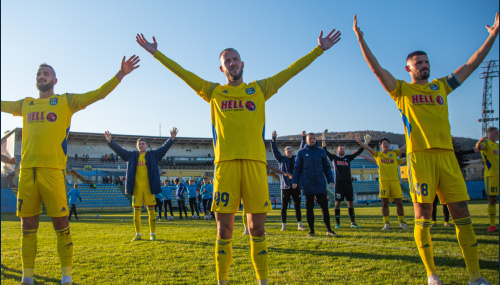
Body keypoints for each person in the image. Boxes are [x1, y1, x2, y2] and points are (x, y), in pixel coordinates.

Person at [137, 26, 341, 285]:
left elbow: (290, 72)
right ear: (221, 68)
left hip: (256, 167)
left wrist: (318, 50)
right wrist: (158, 54)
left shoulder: (259, 89)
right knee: (224, 229)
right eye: (227, 61)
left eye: (235, 59)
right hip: (226, 167)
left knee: (257, 229)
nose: (232, 64)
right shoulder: (214, 92)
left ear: (242, 63)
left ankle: (262, 281)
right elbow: (184, 75)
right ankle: (223, 281)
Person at [353, 13, 499, 285]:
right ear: (408, 68)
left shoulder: (441, 86)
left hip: (447, 157)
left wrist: (492, 36)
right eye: (418, 63)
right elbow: (377, 70)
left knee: (462, 214)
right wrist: (361, 40)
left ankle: (475, 277)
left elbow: (471, 63)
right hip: (420, 159)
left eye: (426, 62)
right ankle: (432, 275)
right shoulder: (401, 92)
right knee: (423, 216)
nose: (424, 65)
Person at [1, 55, 139, 285]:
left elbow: (98, 94)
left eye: (45, 74)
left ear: (55, 80)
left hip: (53, 171)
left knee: (61, 225)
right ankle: (27, 278)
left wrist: (121, 74)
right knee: (27, 226)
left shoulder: (66, 101)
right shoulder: (26, 104)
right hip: (27, 172)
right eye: (38, 74)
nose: (41, 76)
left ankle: (66, 278)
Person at [104, 127, 178, 242]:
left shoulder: (152, 155)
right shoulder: (131, 156)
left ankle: (152, 234)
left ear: (146, 146)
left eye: (143, 143)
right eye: (139, 144)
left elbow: (163, 149)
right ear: (136, 145)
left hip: (149, 188)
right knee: (136, 212)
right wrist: (110, 141)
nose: (141, 145)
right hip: (137, 189)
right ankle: (138, 234)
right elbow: (119, 150)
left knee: (151, 211)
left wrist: (171, 139)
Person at [354, 135, 409, 230]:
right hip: (383, 182)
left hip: (395, 182)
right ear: (381, 146)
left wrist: (411, 138)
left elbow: (404, 147)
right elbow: (368, 148)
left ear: (389, 145)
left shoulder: (395, 153)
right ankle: (386, 224)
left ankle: (401, 223)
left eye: (387, 143)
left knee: (399, 202)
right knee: (385, 203)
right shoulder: (378, 155)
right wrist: (360, 142)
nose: (386, 144)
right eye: (384, 143)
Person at [292, 133, 336, 237]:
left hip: (320, 184)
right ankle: (311, 231)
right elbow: (297, 168)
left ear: (316, 140)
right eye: (310, 139)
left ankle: (328, 230)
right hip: (307, 184)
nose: (312, 140)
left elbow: (326, 167)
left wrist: (330, 180)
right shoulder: (301, 153)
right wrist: (294, 181)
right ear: (306, 140)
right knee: (309, 208)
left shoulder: (321, 152)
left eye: (313, 138)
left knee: (324, 208)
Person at [321, 129, 364, 229]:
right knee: (337, 203)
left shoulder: (348, 158)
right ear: (337, 150)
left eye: (343, 149)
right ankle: (337, 223)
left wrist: (364, 143)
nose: (342, 150)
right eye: (340, 149)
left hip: (348, 183)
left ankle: (352, 223)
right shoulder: (334, 158)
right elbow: (324, 150)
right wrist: (323, 139)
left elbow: (358, 152)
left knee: (350, 202)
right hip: (339, 184)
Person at [271, 130, 305, 231]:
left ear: (292, 152)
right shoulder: (281, 159)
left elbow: (301, 149)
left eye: (291, 151)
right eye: (288, 151)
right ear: (285, 152)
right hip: (285, 187)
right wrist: (273, 139)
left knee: (297, 206)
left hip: (296, 186)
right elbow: (275, 151)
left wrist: (303, 139)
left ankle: (300, 225)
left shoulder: (297, 159)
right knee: (284, 207)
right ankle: (283, 226)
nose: (289, 152)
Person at [476, 126, 499, 232]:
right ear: (490, 134)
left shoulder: (497, 145)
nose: (498, 135)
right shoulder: (486, 143)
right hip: (492, 176)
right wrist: (479, 143)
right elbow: (480, 147)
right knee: (492, 199)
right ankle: (492, 225)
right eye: (496, 133)